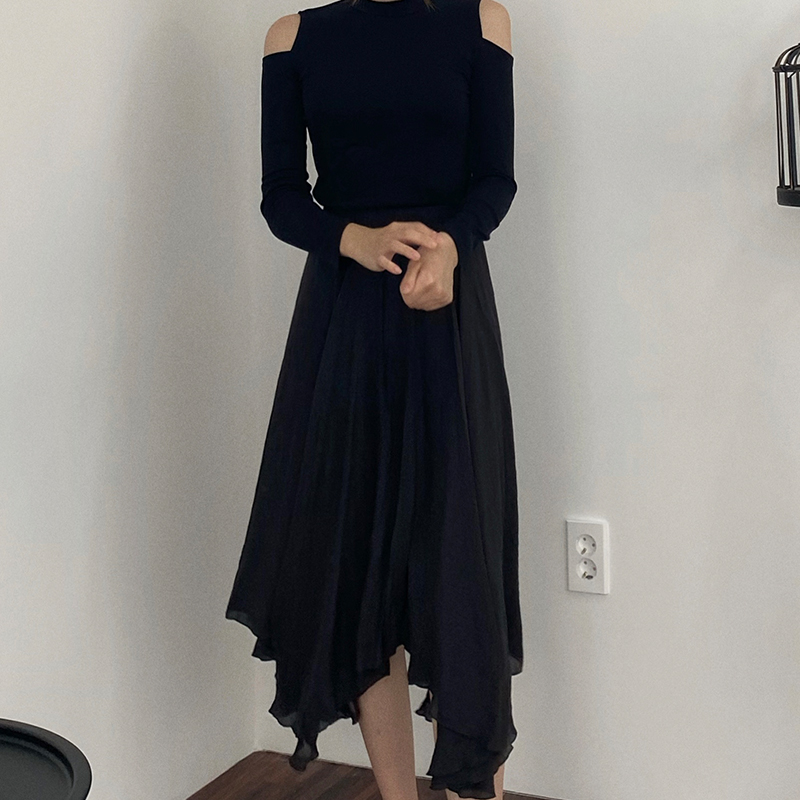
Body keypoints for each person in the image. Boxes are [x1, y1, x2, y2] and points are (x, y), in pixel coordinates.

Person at [225, 0, 524, 797]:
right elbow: (282, 195)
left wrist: (450, 247)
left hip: (447, 312)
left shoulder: (482, 21)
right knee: (357, 565)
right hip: (345, 323)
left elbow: (495, 179)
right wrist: (353, 239)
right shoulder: (293, 36)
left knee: (459, 564)